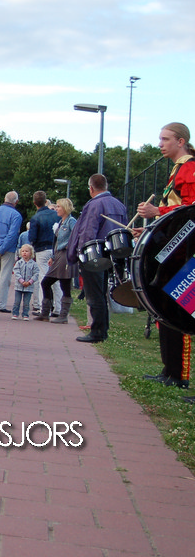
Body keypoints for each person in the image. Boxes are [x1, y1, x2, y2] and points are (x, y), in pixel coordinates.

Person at [136, 123, 195, 392]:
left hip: (184, 253)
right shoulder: (178, 169)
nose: (160, 144)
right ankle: (170, 370)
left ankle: (178, 373)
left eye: (165, 139)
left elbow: (191, 210)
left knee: (176, 308)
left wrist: (156, 212)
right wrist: (153, 229)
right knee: (164, 307)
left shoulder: (190, 168)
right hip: (174, 249)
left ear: (181, 141)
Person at [66, 174, 127, 343]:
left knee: (94, 295)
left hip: (95, 255)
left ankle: (97, 331)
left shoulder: (94, 205)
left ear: (91, 188)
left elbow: (88, 231)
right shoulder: (119, 205)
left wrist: (81, 253)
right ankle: (102, 329)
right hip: (113, 254)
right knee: (102, 294)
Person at [35, 198, 76, 324]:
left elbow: (76, 236)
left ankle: (62, 315)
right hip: (58, 255)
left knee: (64, 284)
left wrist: (69, 247)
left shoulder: (71, 221)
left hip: (66, 256)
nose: (56, 209)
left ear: (65, 208)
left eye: (58, 206)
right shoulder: (61, 222)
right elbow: (57, 241)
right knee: (46, 283)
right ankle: (46, 313)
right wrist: (53, 256)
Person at [28, 190, 61, 315]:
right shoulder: (56, 215)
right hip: (55, 248)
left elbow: (32, 237)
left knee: (43, 277)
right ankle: (58, 308)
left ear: (34, 203)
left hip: (42, 249)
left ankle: (44, 308)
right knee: (56, 279)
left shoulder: (35, 218)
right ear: (46, 201)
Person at [0, 191, 22, 313]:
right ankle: (0, 304)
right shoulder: (16, 215)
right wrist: (2, 248)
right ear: (16, 202)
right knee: (5, 276)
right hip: (8, 249)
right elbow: (12, 234)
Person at [11, 244, 38, 321]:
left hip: (29, 287)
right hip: (19, 286)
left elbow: (36, 274)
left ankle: (25, 314)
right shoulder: (19, 263)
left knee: (26, 302)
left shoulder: (34, 264)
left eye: (26, 251)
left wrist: (30, 282)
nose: (24, 253)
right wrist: (21, 281)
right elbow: (16, 272)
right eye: (23, 251)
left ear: (31, 253)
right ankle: (15, 313)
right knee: (17, 301)